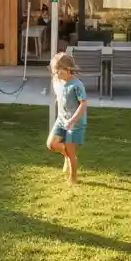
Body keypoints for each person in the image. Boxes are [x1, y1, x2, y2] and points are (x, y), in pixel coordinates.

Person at [47, 52, 88, 184]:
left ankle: (73, 177)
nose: (56, 74)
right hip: (62, 119)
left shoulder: (77, 85)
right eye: (55, 71)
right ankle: (67, 156)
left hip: (74, 123)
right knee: (51, 144)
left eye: (59, 71)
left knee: (71, 151)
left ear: (68, 69)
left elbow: (83, 104)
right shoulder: (60, 81)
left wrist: (73, 119)